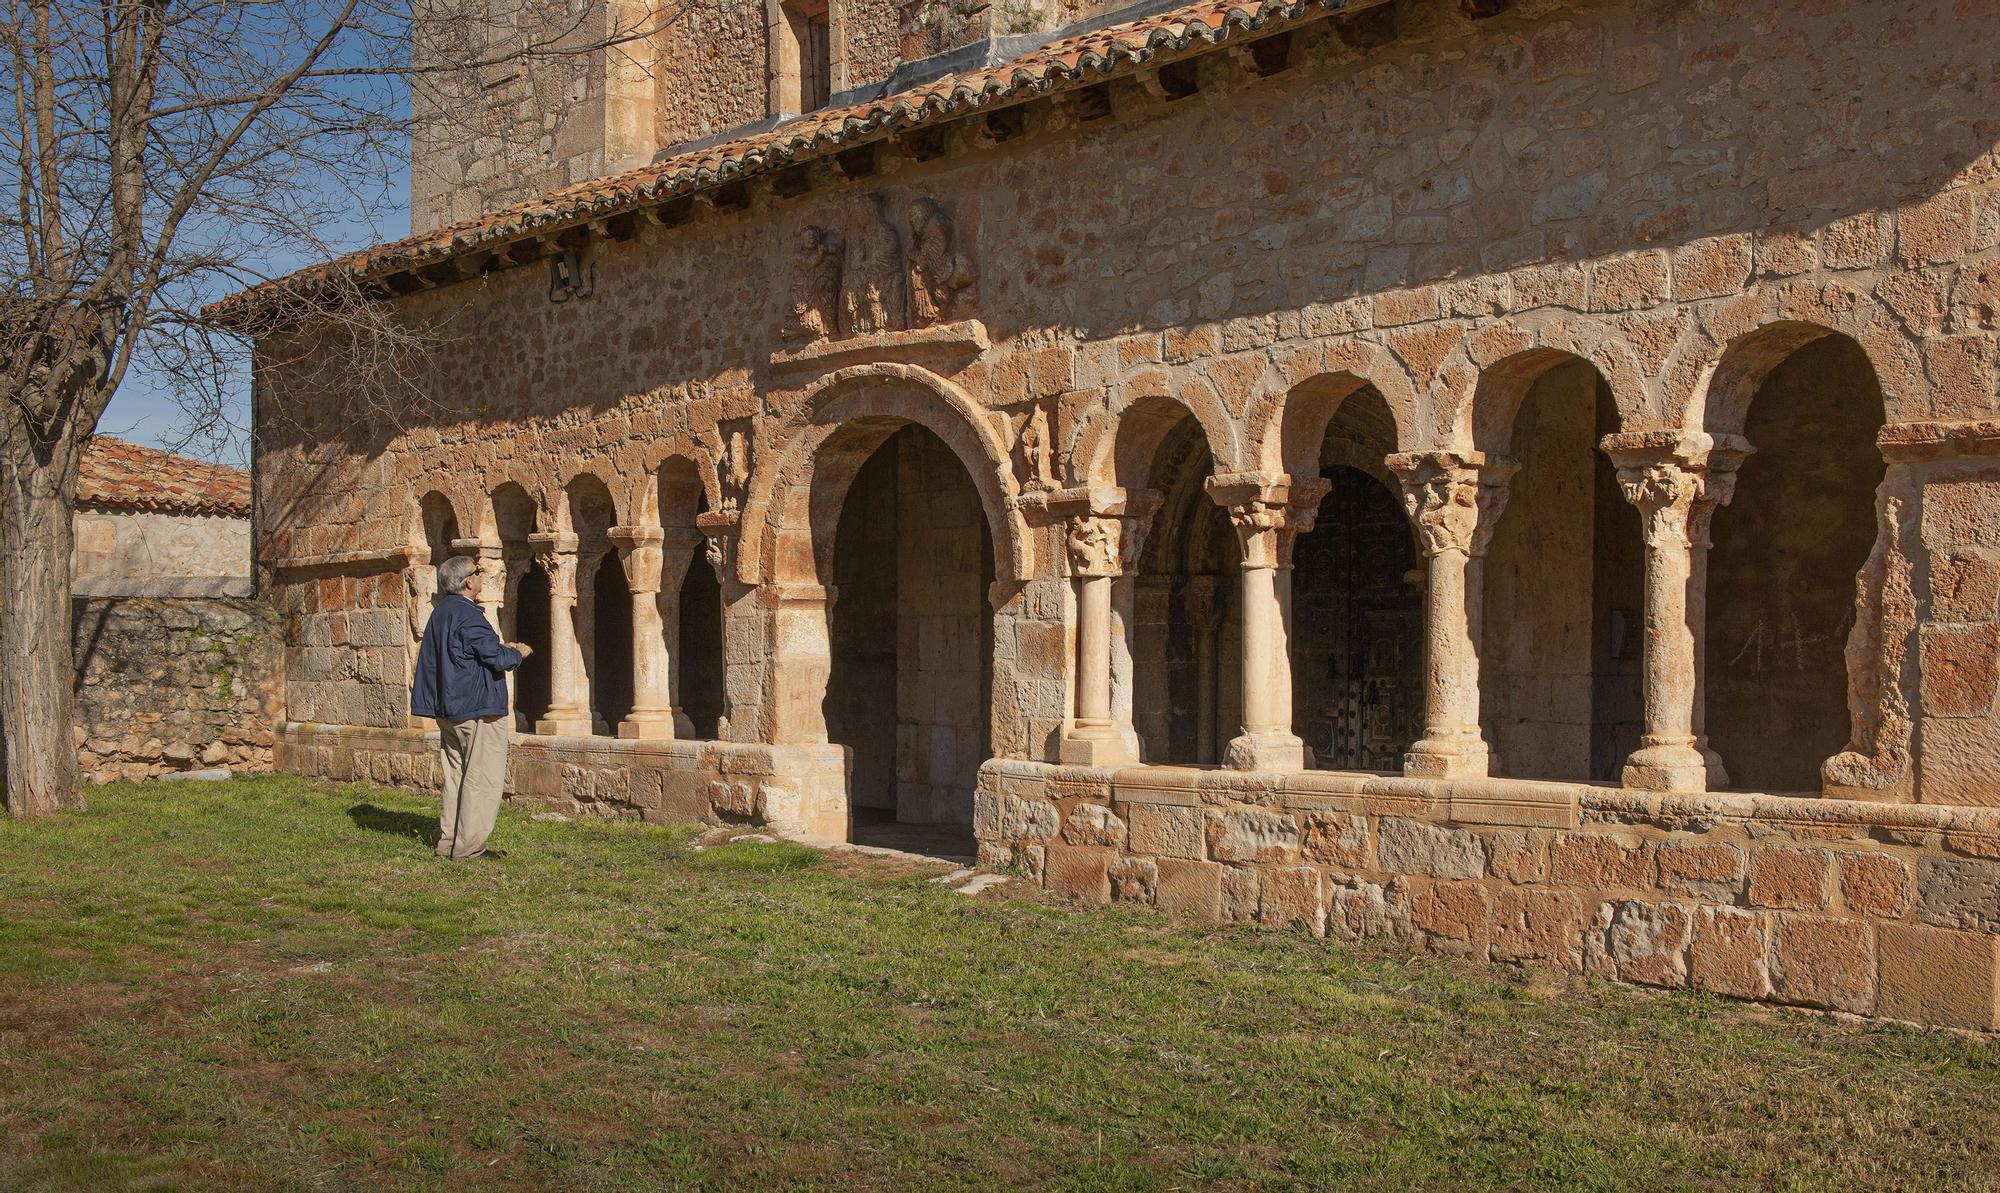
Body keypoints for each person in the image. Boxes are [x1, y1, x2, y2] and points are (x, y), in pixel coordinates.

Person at [411, 554, 532, 861]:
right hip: (476, 709)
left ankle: (449, 841)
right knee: (482, 777)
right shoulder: (468, 615)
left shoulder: (441, 613)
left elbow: (463, 655)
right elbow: (495, 658)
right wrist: (517, 653)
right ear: (468, 583)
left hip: (448, 709)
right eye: (477, 573)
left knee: (456, 777)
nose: (480, 577)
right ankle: (468, 848)